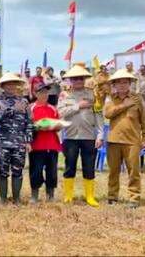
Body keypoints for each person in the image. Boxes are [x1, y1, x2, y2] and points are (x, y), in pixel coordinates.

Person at [57, 65, 103, 208]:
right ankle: (68, 196)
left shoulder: (93, 94)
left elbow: (99, 115)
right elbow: (60, 113)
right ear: (70, 80)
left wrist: (100, 135)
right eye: (75, 78)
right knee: (69, 166)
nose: (78, 80)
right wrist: (78, 106)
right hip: (70, 137)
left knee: (89, 167)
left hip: (89, 136)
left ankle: (89, 196)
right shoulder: (64, 95)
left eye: (80, 78)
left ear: (84, 79)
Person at [104, 69, 145, 208]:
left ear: (129, 83)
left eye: (125, 82)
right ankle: (112, 196)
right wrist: (125, 105)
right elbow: (108, 114)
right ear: (114, 85)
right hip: (114, 140)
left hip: (132, 141)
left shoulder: (137, 98)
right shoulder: (111, 98)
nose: (122, 85)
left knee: (134, 171)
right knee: (113, 171)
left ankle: (134, 198)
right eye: (119, 83)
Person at [0, 72, 33, 205]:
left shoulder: (24, 102)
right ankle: (3, 200)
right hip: (3, 142)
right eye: (7, 84)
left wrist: (28, 141)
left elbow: (29, 123)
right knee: (2, 171)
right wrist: (13, 109)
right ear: (3, 86)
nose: (10, 86)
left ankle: (16, 199)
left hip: (20, 142)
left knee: (18, 171)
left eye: (13, 83)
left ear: (16, 85)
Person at [29, 83, 61, 203]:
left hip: (52, 145)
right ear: (36, 94)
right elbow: (28, 125)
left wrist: (54, 125)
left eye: (46, 92)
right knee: (35, 170)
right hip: (36, 145)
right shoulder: (30, 108)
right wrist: (37, 127)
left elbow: (58, 126)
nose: (44, 95)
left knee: (52, 171)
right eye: (41, 92)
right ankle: (34, 195)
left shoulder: (53, 109)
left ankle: (50, 194)